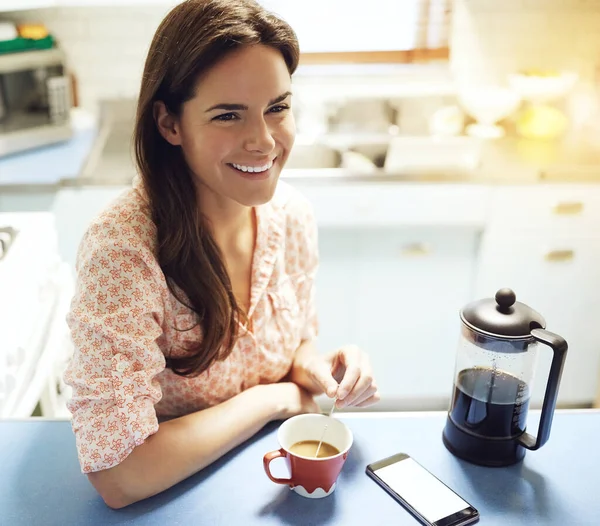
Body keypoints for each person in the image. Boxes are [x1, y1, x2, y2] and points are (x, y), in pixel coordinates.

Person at [64, 0, 379, 509]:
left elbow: (294, 347)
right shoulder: (123, 252)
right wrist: (273, 400)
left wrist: (318, 368)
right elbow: (119, 475)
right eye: (228, 115)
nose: (263, 141)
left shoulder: (292, 215)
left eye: (277, 108)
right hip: (176, 499)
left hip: (270, 492)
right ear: (170, 124)